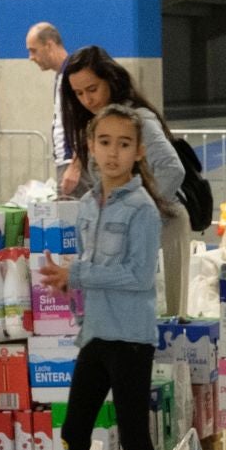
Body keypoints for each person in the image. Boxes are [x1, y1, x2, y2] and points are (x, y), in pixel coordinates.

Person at [37, 104, 170, 450]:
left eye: (124, 144)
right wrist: (69, 281)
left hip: (130, 339)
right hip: (95, 333)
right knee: (75, 431)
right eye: (105, 142)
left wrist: (77, 274)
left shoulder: (143, 209)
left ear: (139, 152)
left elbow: (138, 276)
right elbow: (96, 269)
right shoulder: (88, 206)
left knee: (134, 440)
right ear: (90, 146)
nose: (113, 153)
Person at [57, 45, 189, 319]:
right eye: (79, 93)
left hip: (164, 226)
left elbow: (172, 169)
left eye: (92, 89)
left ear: (110, 80)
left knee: (165, 319)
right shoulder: (97, 126)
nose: (87, 100)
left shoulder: (138, 120)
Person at [25, 21, 71, 187]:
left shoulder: (71, 75)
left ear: (49, 45)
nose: (31, 57)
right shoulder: (61, 75)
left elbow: (84, 122)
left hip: (71, 163)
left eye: (33, 50)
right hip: (64, 162)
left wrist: (76, 165)